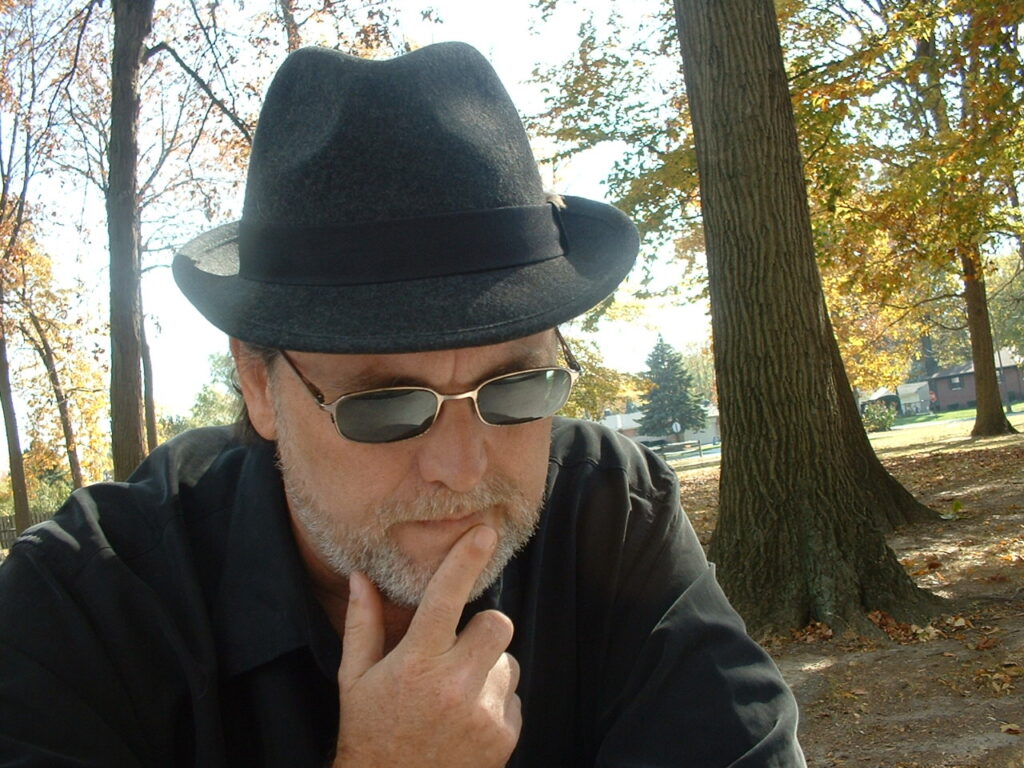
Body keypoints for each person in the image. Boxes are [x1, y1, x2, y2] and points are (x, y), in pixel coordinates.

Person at [0, 42, 805, 767]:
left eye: (515, 389)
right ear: (258, 384)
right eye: (385, 407)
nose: (461, 468)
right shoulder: (83, 607)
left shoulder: (609, 514)